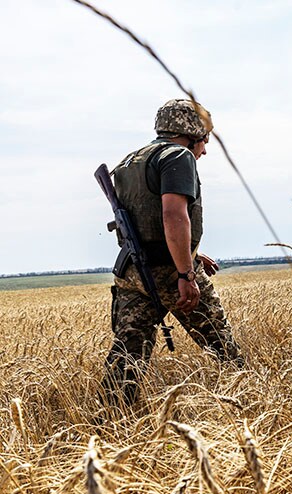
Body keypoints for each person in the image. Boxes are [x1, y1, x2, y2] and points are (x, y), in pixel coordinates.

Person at [100, 99, 243, 406]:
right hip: (167, 270)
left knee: (129, 349)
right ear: (192, 133)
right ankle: (250, 407)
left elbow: (142, 219)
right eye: (204, 140)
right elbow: (173, 216)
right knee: (221, 345)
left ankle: (110, 418)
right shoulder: (178, 155)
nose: (204, 149)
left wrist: (192, 252)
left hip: (131, 270)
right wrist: (185, 272)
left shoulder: (131, 160)